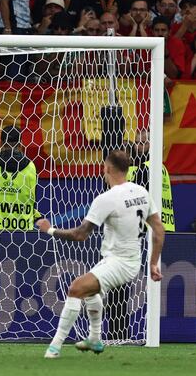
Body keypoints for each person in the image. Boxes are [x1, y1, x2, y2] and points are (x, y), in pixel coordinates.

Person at [38, 150, 164, 358]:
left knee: (76, 288)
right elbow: (158, 229)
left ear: (106, 168)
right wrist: (153, 263)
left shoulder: (106, 198)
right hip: (129, 260)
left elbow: (80, 235)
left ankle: (54, 348)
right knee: (90, 293)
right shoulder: (141, 192)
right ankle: (95, 339)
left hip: (120, 263)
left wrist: (50, 230)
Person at [0, 126, 40, 230]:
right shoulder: (31, 168)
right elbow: (33, 201)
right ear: (21, 143)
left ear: (1, 143)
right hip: (24, 235)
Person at [127, 129, 175, 231]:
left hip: (149, 229)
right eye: (136, 143)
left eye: (143, 143)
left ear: (153, 144)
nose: (138, 146)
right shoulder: (162, 168)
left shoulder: (145, 169)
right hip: (167, 225)